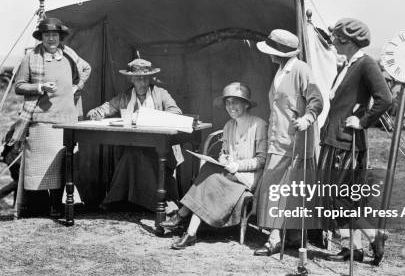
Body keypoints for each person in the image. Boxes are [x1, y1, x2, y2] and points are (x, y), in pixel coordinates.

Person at [318, 18, 392, 266]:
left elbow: (385, 99)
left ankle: (374, 235)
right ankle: (354, 249)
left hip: (347, 143)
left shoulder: (366, 64)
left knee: (341, 199)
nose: (332, 42)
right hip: (335, 140)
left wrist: (362, 122)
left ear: (347, 41)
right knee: (343, 197)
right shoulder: (348, 65)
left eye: (336, 38)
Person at [159, 82, 267, 249]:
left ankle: (182, 215)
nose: (231, 107)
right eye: (228, 103)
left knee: (209, 173)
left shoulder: (258, 125)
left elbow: (262, 160)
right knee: (209, 172)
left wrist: (237, 165)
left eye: (236, 102)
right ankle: (190, 233)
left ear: (246, 104)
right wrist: (223, 158)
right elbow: (224, 152)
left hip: (247, 178)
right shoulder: (229, 126)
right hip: (227, 175)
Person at [252, 29, 324, 256]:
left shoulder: (300, 69)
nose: (269, 54)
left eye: (272, 51)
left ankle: (275, 238)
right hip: (278, 139)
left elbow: (316, 99)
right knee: (279, 189)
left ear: (281, 53)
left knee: (283, 190)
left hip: (294, 141)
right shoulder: (281, 70)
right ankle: (289, 235)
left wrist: (308, 118)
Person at [13, 17, 91, 217]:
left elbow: (86, 68)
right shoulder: (30, 58)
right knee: (43, 165)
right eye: (47, 35)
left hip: (67, 118)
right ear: (41, 37)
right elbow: (19, 86)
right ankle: (44, 207)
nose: (51, 39)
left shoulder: (69, 54)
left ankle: (59, 205)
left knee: (63, 163)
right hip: (42, 119)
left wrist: (77, 86)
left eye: (54, 35)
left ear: (60, 37)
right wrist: (40, 87)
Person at [86, 58, 182, 211]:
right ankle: (132, 201)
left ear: (150, 78)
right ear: (131, 79)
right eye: (138, 79)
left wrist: (149, 117)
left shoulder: (161, 94)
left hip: (160, 148)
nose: (142, 83)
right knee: (133, 153)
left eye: (145, 79)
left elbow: (176, 112)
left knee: (134, 154)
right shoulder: (125, 97)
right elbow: (106, 108)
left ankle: (117, 200)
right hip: (136, 146)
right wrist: (96, 113)